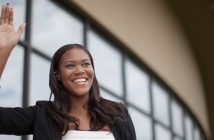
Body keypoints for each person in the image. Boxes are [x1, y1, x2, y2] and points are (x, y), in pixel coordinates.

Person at [0, 4, 136, 140]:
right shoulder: (44, 114)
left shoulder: (118, 114)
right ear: (57, 75)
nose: (80, 70)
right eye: (70, 65)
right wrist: (2, 51)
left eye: (86, 64)